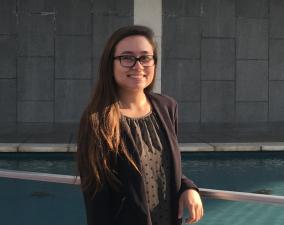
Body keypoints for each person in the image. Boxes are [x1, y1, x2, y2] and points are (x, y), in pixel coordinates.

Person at [76, 25, 203, 225]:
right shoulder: (97, 121)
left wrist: (188, 187)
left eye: (145, 57)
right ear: (110, 64)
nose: (138, 66)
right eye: (127, 58)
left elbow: (161, 165)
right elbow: (96, 201)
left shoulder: (167, 107)